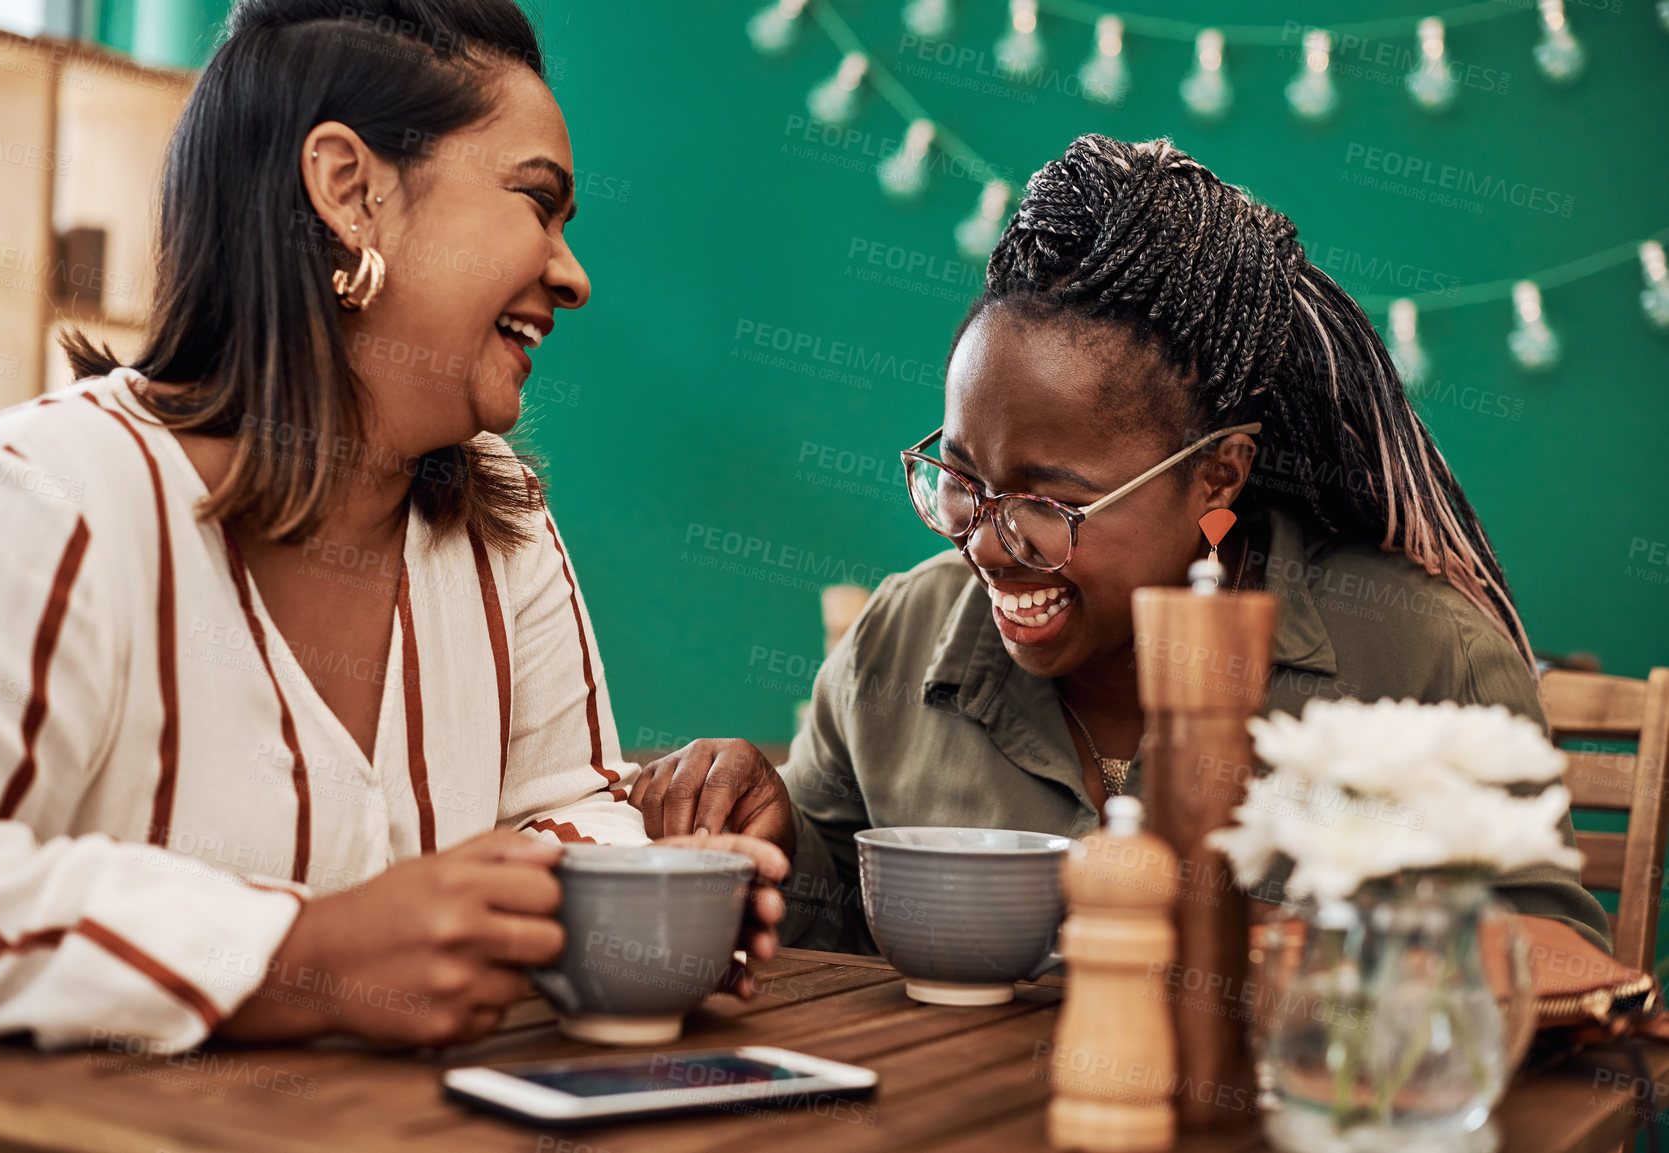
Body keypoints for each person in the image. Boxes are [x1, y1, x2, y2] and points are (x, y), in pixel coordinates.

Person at [0, 0, 782, 1052]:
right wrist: (297, 958)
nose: (571, 273)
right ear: (349, 191)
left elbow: (565, 807)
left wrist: (663, 894)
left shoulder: (502, 523)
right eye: (537, 204)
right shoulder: (39, 500)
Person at [631, 134, 1609, 954]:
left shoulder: (1424, 659)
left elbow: (1563, 963)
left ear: (1216, 474)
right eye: (962, 478)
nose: (989, 545)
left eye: (1051, 503)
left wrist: (1327, 948)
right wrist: (764, 830)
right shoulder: (899, 640)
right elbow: (832, 902)